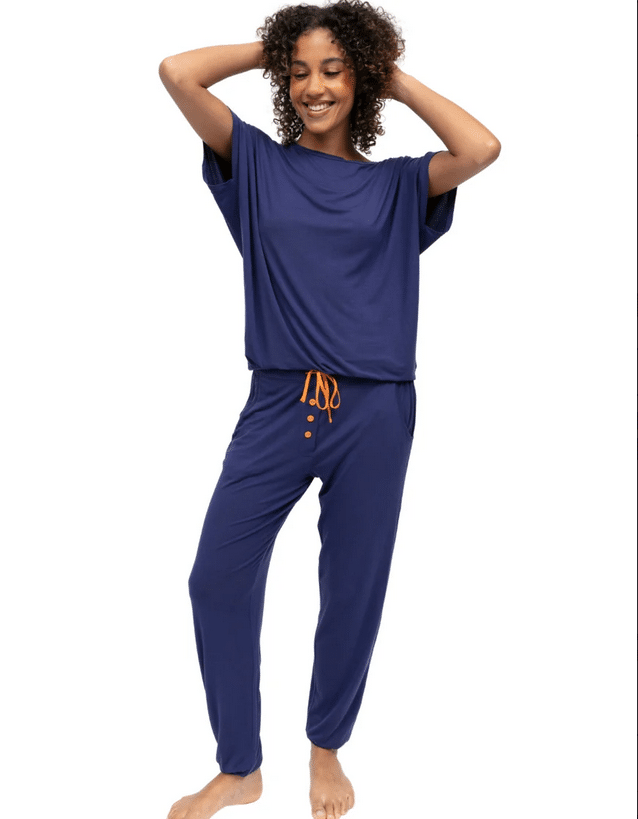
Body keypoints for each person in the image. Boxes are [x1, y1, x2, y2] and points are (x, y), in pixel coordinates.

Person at [158, 1, 500, 817]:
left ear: (362, 80)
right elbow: (177, 73)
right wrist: (282, 44)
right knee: (216, 579)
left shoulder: (398, 184)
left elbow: (481, 148)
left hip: (375, 409)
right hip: (279, 400)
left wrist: (386, 73)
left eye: (334, 70)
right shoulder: (254, 164)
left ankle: (326, 748)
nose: (315, 86)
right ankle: (240, 766)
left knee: (353, 586)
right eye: (301, 73)